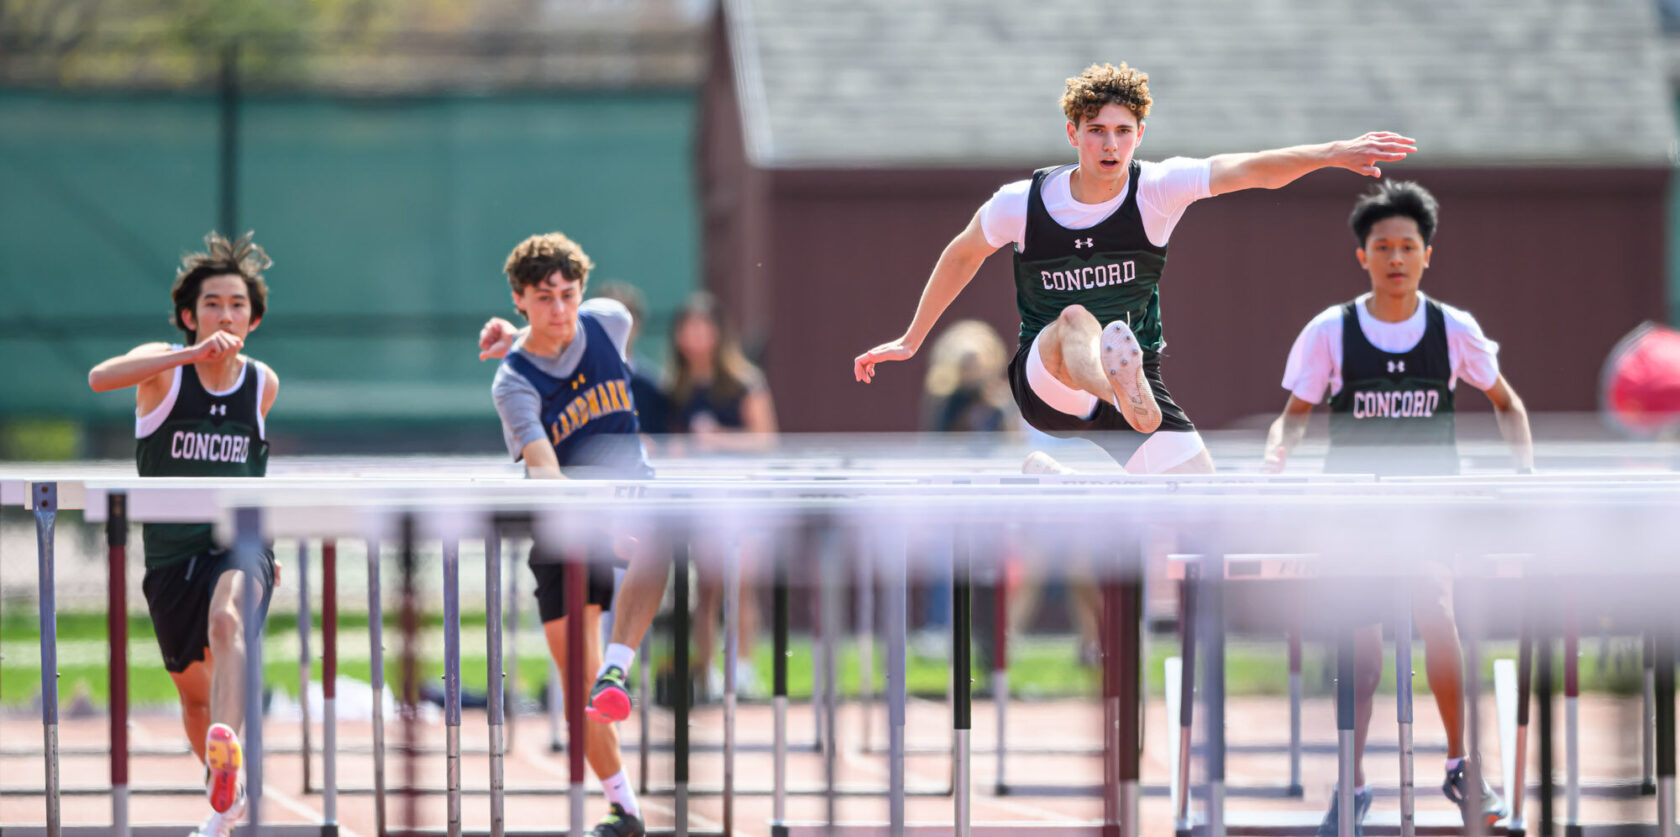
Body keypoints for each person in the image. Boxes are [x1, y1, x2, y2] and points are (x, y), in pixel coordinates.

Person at [853, 61, 1416, 476]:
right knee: (1075, 317)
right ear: (1073, 134)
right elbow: (963, 253)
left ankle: (1067, 483)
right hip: (1049, 381)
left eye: (1123, 132)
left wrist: (1329, 153)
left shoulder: (1157, 190)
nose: (1110, 144)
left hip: (1136, 380)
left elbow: (1247, 169)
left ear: (1139, 136)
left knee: (1196, 503)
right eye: (1097, 130)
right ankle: (1122, 393)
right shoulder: (1020, 203)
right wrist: (910, 339)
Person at [1260, 181, 1534, 834]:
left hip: (1429, 506)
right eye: (1382, 246)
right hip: (1353, 509)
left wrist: (1526, 477)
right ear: (1363, 256)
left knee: (1435, 607)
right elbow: (1292, 418)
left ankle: (1462, 762)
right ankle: (1351, 781)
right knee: (1359, 642)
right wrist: (1277, 456)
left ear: (1426, 255)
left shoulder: (1452, 329)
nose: (1395, 257)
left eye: (1407, 246)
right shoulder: (1331, 330)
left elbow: (1509, 404)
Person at [87, 232, 280, 837]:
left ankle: (227, 754)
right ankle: (227, 792)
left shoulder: (261, 383)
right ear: (189, 315)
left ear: (252, 317)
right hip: (171, 556)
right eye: (214, 303)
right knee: (193, 697)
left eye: (238, 304)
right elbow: (99, 377)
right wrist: (186, 357)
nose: (226, 314)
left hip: (239, 541)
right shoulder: (163, 372)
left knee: (228, 623)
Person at [478, 232, 649, 837]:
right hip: (565, 520)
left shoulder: (610, 322)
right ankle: (624, 806)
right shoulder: (514, 382)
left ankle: (619, 666)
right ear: (520, 299)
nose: (559, 310)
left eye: (568, 295)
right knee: (574, 674)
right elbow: (545, 471)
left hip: (628, 494)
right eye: (543, 298)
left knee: (661, 533)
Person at [663, 292, 777, 696]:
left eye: (702, 327)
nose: (694, 336)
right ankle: (707, 672)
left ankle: (743, 670)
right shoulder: (672, 386)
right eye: (687, 328)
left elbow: (765, 440)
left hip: (741, 497)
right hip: (696, 499)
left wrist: (717, 440)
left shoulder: (744, 381)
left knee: (741, 586)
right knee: (707, 588)